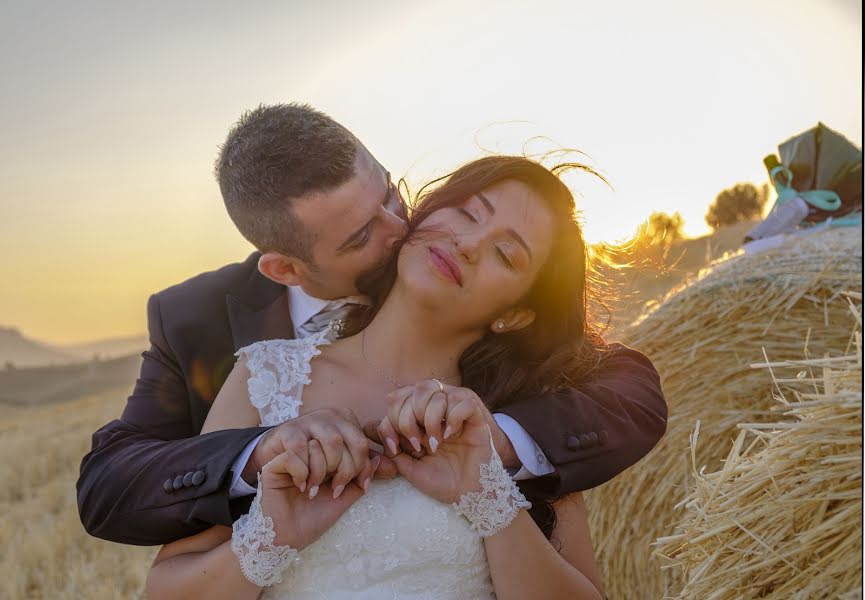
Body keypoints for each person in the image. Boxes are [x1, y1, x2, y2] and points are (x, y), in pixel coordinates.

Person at [77, 104, 666, 549]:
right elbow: (108, 486)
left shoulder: (460, 290)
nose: (397, 230)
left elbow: (631, 393)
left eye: (391, 195)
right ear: (287, 267)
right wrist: (259, 455)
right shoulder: (194, 320)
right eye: (360, 236)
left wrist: (495, 442)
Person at [147, 155, 619, 599]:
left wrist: (487, 496)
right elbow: (163, 590)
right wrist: (270, 539)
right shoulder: (266, 375)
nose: (469, 245)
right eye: (469, 214)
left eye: (505, 254)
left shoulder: (525, 415)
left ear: (515, 314)